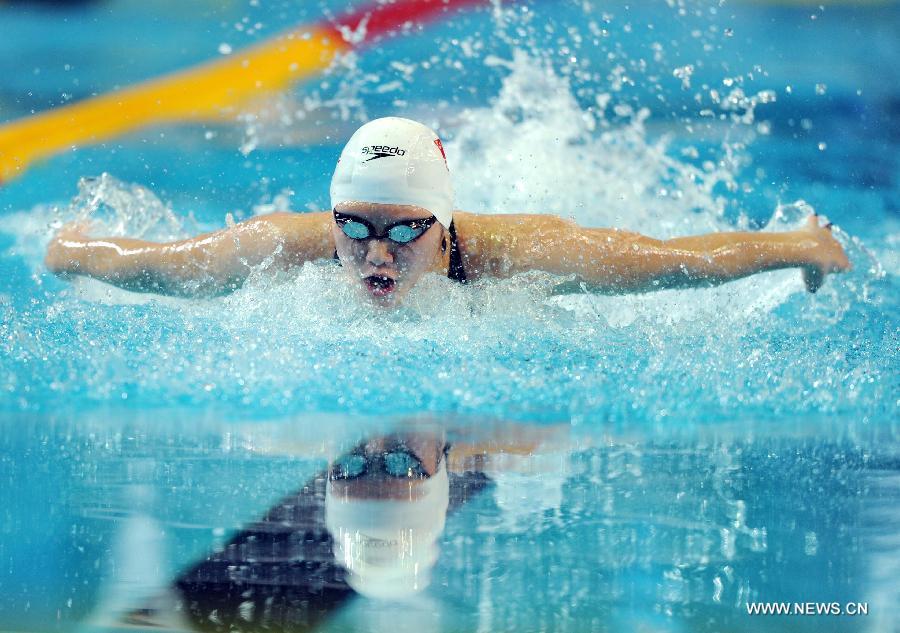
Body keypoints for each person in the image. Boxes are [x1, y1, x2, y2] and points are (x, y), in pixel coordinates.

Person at [44, 117, 851, 308]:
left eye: (404, 230)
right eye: (354, 228)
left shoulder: (523, 251)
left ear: (446, 226)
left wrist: (797, 245)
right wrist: (76, 251)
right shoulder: (284, 247)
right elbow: (157, 262)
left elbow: (673, 257)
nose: (375, 255)